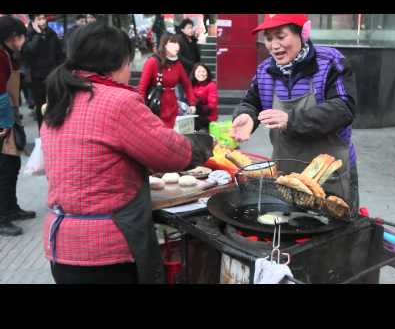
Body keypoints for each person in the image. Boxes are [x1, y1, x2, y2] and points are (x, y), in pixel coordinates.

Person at [41, 22, 213, 284]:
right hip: (106, 251)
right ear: (119, 62)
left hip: (61, 245)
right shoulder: (117, 101)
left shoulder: (61, 97)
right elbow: (173, 154)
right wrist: (205, 142)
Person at [230, 14, 359, 212]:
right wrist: (246, 115)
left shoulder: (330, 61)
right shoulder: (265, 71)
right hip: (286, 174)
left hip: (328, 173)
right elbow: (251, 102)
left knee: (334, 231)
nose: (274, 45)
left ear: (303, 33)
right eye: (269, 38)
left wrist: (291, 119)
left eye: (281, 36)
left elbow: (344, 107)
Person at [0, 16, 36, 237]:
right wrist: (5, 123)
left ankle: (11, 208)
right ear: (13, 37)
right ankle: (2, 217)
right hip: (3, 118)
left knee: (12, 165)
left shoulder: (8, 54)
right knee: (4, 168)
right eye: (22, 36)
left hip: (8, 114)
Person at [138, 33, 196, 129]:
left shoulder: (177, 63)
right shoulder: (152, 62)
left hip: (172, 106)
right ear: (164, 45)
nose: (177, 46)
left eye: (177, 43)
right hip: (156, 107)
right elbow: (142, 88)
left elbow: (187, 84)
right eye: (172, 43)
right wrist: (142, 110)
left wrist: (192, 103)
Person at [22, 14, 65, 130]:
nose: (43, 21)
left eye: (44, 18)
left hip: (53, 75)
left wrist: (60, 71)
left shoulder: (51, 33)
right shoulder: (28, 34)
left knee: (56, 105)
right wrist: (38, 35)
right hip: (37, 78)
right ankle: (43, 133)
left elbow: (59, 54)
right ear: (33, 21)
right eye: (39, 19)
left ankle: (56, 131)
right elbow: (28, 52)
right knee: (41, 107)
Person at [191, 63, 218, 131]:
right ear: (194, 73)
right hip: (194, 116)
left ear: (207, 73)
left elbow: (212, 105)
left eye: (203, 71)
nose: (201, 74)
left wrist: (197, 107)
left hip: (208, 118)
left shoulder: (211, 85)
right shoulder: (193, 85)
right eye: (198, 71)